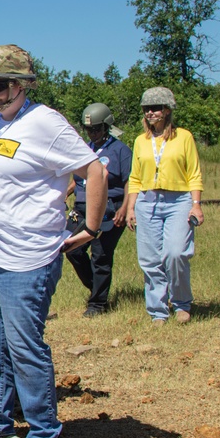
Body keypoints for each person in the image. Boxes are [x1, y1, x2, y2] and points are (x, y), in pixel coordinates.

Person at [0, 45, 105, 438]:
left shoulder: (45, 123)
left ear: (20, 85)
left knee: (23, 345)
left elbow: (94, 170)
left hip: (28, 258)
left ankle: (46, 433)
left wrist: (89, 227)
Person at [125, 87, 204, 324]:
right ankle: (158, 310)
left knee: (175, 252)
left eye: (156, 108)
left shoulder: (184, 137)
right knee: (150, 259)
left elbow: (194, 173)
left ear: (167, 110)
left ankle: (181, 303)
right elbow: (135, 177)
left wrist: (196, 204)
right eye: (147, 109)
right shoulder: (141, 141)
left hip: (179, 200)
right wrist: (131, 208)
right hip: (147, 202)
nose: (151, 113)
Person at [65, 103, 133, 317]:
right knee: (72, 249)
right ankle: (97, 288)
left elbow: (130, 180)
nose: (92, 133)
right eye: (88, 129)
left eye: (96, 129)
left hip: (110, 208)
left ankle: (97, 304)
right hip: (82, 207)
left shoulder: (120, 150)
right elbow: (81, 178)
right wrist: (66, 191)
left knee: (100, 255)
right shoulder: (86, 148)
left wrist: (125, 207)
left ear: (106, 127)